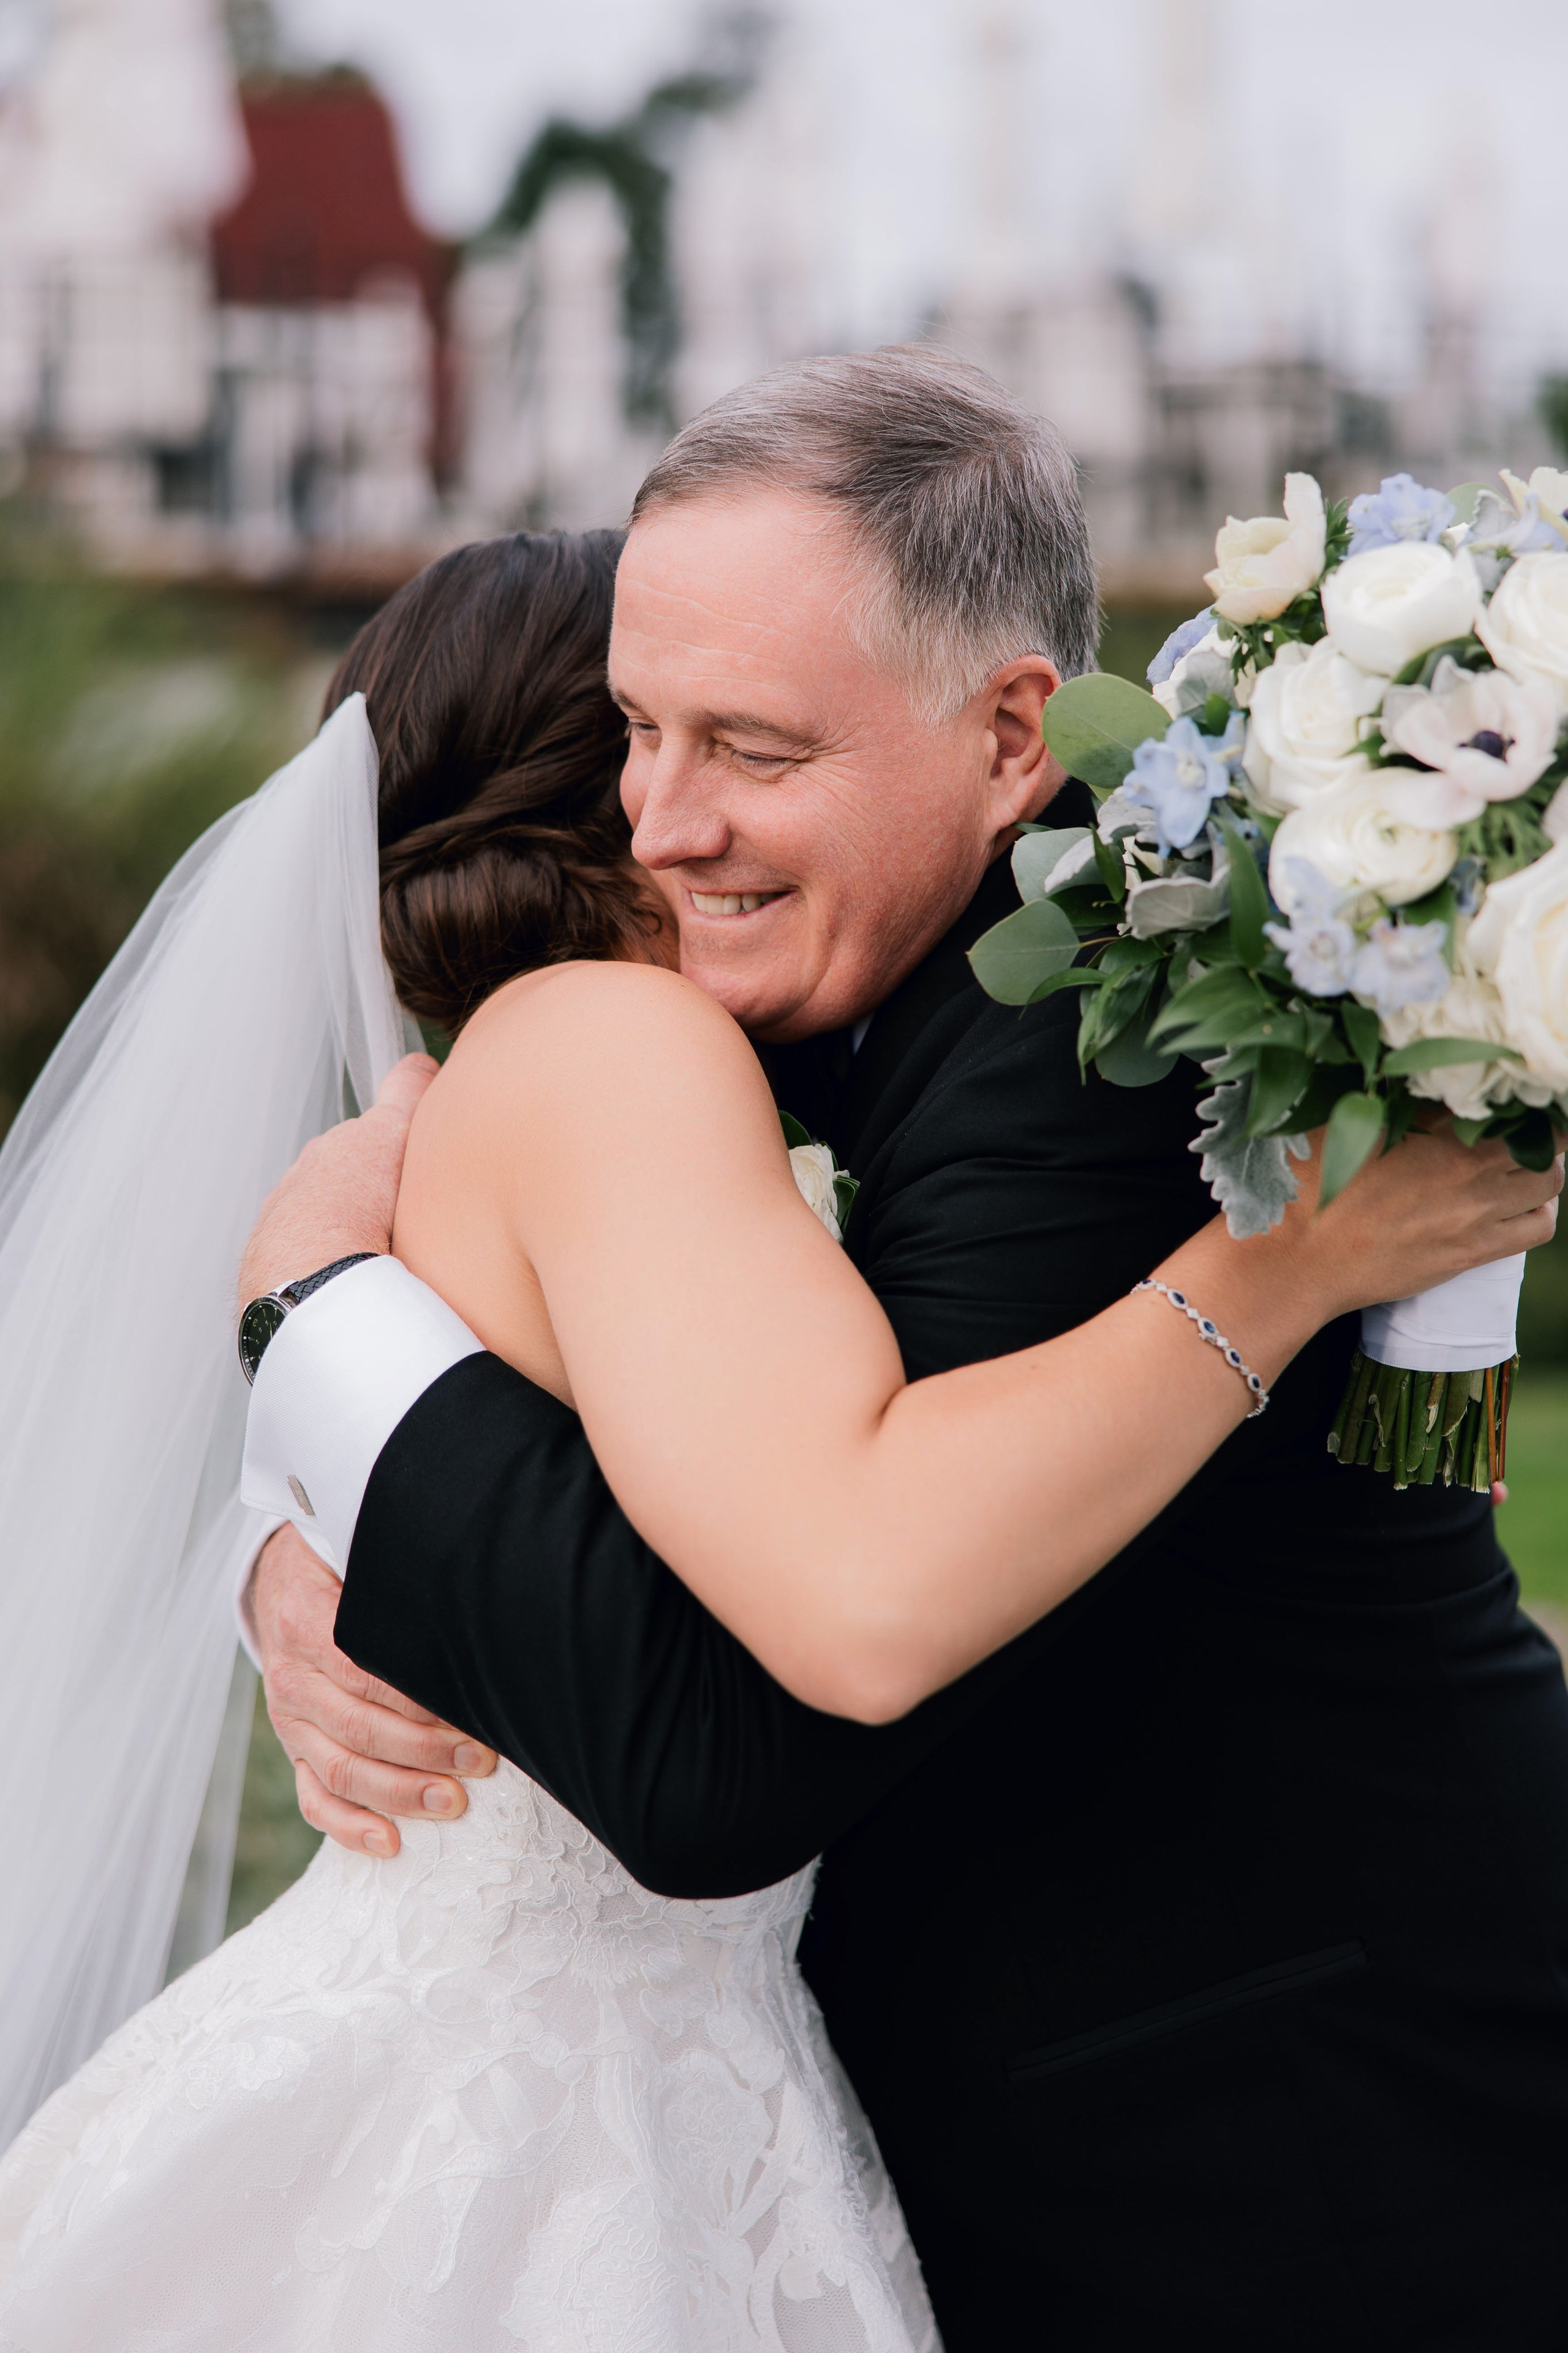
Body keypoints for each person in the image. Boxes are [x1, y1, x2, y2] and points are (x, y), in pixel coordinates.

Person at [0, 465, 1540, 2349]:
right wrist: (303, 1458)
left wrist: (314, 1323)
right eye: (644, 734)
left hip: (1268, 2126)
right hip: (602, 2107)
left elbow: (738, 1693)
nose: (681, 804)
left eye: (740, 740)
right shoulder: (618, 1058)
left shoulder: (1027, 1018)